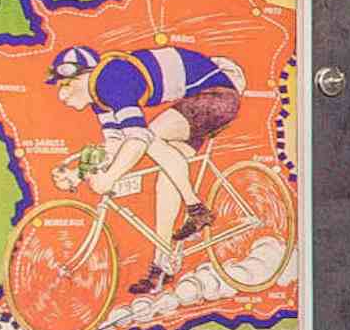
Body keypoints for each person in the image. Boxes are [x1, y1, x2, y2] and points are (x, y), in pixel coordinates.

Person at [48, 45, 246, 294]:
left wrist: (109, 178)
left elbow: (138, 138)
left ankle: (196, 207)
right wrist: (78, 172)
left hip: (217, 96)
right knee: (166, 179)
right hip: (197, 101)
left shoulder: (111, 77)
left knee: (149, 138)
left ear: (84, 76)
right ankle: (161, 266)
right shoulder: (99, 100)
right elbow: (115, 144)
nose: (61, 96)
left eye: (64, 85)